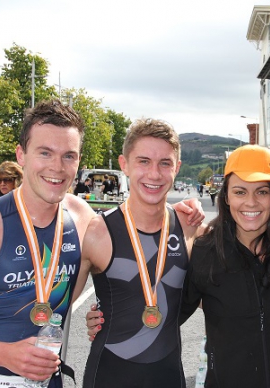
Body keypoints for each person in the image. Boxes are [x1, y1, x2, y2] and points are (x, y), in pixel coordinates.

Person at [0, 100, 97, 388]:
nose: (57, 168)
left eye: (69, 156)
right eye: (45, 152)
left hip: (46, 380)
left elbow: (134, 239)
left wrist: (183, 217)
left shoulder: (82, 217)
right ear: (21, 155)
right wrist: (5, 354)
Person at [180, 145, 270, 387]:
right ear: (226, 196)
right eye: (240, 192)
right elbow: (167, 314)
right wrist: (108, 315)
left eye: (262, 192)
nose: (251, 203)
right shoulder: (204, 251)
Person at [81, 118, 205, 388]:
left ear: (177, 168)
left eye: (165, 163)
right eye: (143, 161)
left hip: (169, 376)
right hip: (109, 376)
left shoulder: (189, 227)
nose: (154, 174)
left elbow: (213, 296)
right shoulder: (97, 232)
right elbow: (53, 303)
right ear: (124, 164)